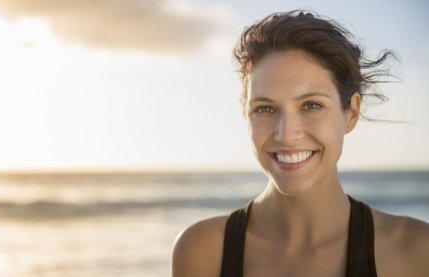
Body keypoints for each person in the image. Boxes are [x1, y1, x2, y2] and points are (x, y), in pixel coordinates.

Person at [171, 10, 429, 277]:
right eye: (265, 108)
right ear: (245, 113)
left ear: (351, 112)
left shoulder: (415, 252)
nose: (286, 134)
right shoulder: (202, 251)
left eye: (311, 105)